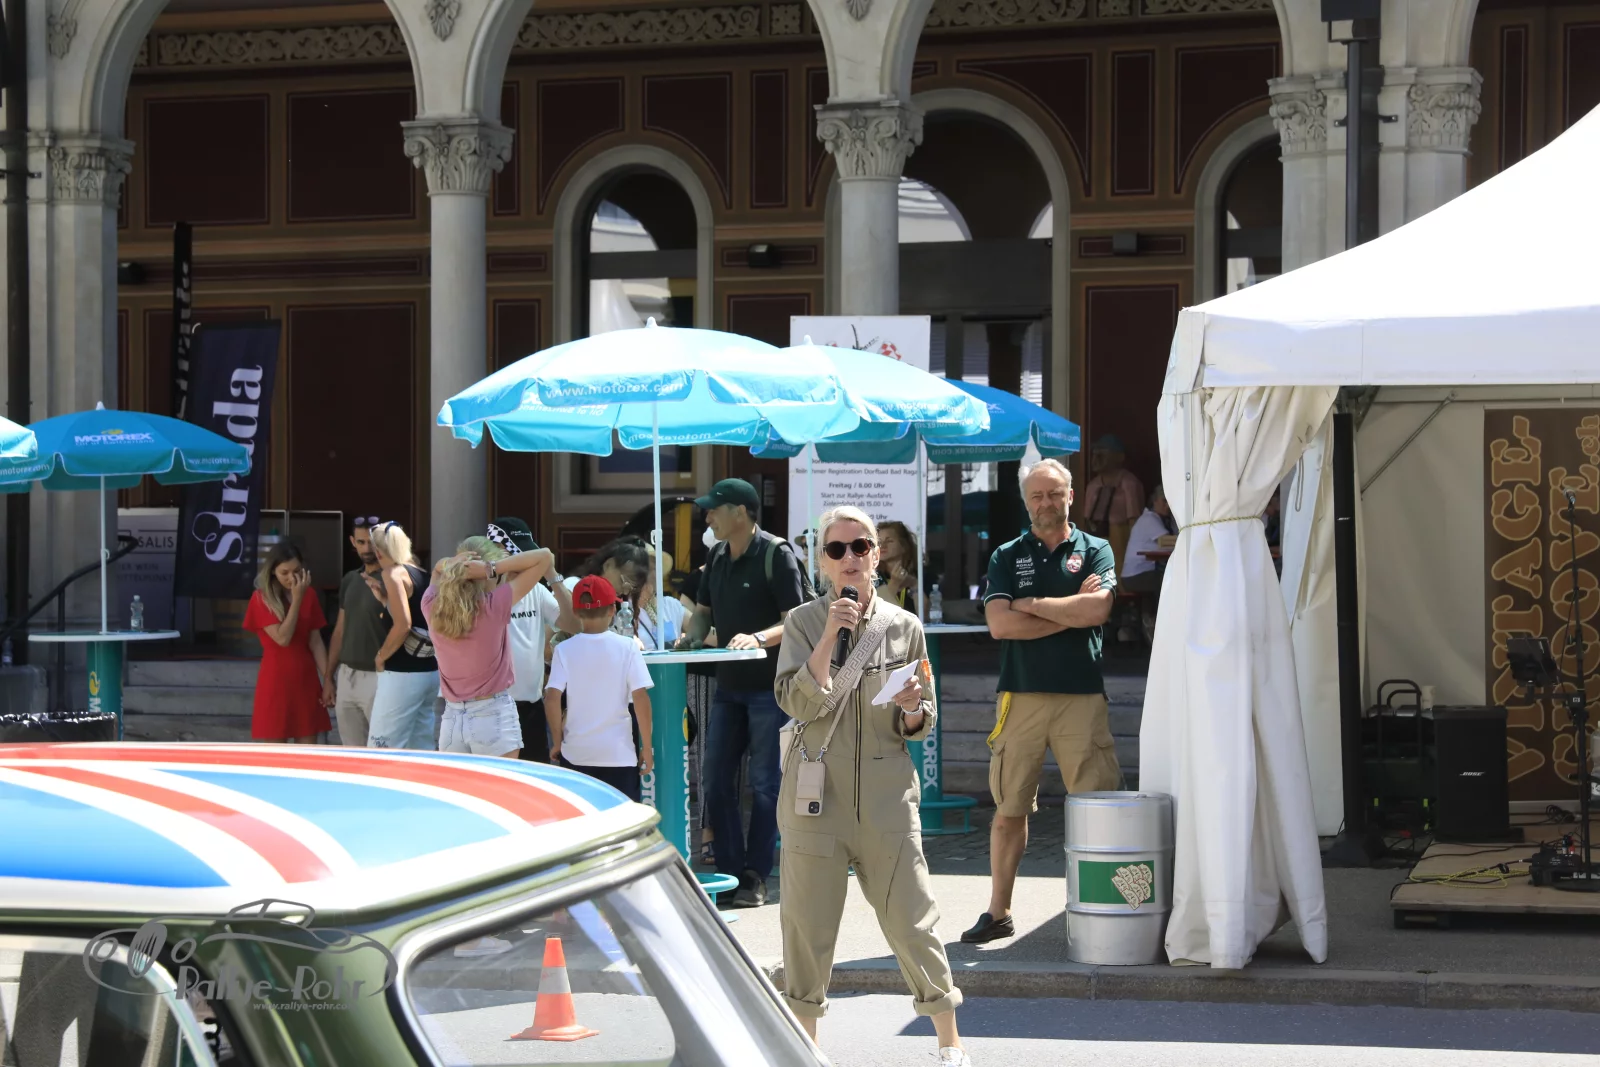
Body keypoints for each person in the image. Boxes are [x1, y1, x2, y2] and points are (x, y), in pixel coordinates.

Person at [773, 505, 970, 1067]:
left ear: (877, 556)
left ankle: (950, 1044)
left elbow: (923, 718)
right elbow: (793, 701)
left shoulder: (904, 626)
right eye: (836, 549)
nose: (850, 558)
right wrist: (829, 634)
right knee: (807, 927)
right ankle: (807, 1051)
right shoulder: (802, 623)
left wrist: (912, 707)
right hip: (816, 799)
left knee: (914, 919)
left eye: (860, 546)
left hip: (887, 799)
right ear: (822, 561)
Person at [964, 458, 1121, 945]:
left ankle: (1105, 908)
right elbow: (999, 625)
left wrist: (1030, 605)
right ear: (1025, 501)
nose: (1046, 502)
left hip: (1081, 695)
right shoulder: (1007, 554)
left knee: (1098, 808)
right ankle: (999, 912)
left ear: (1070, 496)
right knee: (1009, 808)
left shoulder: (1095, 549)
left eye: (1054, 493)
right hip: (1022, 694)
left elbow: (1098, 609)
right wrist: (1069, 613)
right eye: (1037, 495)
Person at [677, 478, 806, 908]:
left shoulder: (777, 554)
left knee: (766, 784)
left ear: (741, 512)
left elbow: (796, 620)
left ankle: (756, 875)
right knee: (715, 780)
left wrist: (757, 638)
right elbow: (702, 613)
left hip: (771, 689)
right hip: (728, 688)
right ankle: (730, 874)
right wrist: (691, 637)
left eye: (715, 509)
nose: (708, 516)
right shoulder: (715, 555)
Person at [422, 537, 558, 759]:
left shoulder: (430, 604)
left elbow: (438, 569)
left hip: (452, 719)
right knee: (502, 782)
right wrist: (492, 568)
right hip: (492, 716)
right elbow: (544, 556)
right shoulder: (493, 605)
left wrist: (454, 564)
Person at [544, 575, 655, 801]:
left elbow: (552, 698)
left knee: (584, 818)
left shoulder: (564, 650)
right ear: (613, 610)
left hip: (576, 754)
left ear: (576, 612)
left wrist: (557, 740)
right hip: (619, 755)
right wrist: (646, 746)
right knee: (622, 819)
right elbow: (641, 698)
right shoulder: (628, 647)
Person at [485, 517, 575, 763]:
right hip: (491, 708)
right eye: (518, 554)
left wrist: (553, 576)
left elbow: (573, 625)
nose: (525, 561)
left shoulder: (536, 589)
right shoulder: (481, 591)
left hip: (531, 707)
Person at [243, 542, 332, 744]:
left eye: (297, 571)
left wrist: (328, 679)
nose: (292, 578)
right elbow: (283, 638)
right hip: (276, 679)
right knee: (275, 752)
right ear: (273, 572)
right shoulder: (261, 599)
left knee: (308, 750)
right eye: (284, 572)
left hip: (305, 678)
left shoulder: (309, 594)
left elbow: (316, 641)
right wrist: (297, 600)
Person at [365, 521, 441, 750]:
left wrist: (381, 656)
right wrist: (385, 601)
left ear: (379, 552)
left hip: (402, 673)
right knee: (421, 747)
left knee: (382, 747)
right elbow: (419, 617)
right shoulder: (423, 574)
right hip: (430, 671)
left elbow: (403, 625)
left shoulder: (392, 573)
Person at [323, 515, 385, 746]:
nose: (367, 548)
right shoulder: (350, 579)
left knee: (383, 748)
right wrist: (328, 677)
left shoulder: (395, 577)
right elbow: (340, 630)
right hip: (347, 675)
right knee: (352, 750)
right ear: (352, 542)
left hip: (381, 676)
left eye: (372, 542)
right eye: (361, 542)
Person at [555, 537, 651, 644]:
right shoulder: (573, 586)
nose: (624, 592)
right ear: (608, 565)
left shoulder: (617, 606)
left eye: (631, 588)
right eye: (623, 581)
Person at [1080, 433, 1146, 574]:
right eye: (1094, 454)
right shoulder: (1093, 485)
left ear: (1119, 457)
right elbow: (1086, 519)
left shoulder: (1129, 483)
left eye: (1102, 455)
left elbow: (1135, 519)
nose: (1095, 460)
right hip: (1095, 537)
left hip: (1121, 539)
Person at [1121, 485, 1176, 644]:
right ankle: (1158, 623)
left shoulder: (1159, 519)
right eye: (1164, 501)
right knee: (1170, 582)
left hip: (1142, 574)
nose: (1167, 506)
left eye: (1169, 502)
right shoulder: (1149, 519)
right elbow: (1167, 542)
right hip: (1136, 576)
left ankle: (1154, 620)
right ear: (1154, 501)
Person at [635, 546, 687, 651]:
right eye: (647, 568)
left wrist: (687, 637)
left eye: (655, 568)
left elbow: (703, 630)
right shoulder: (624, 608)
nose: (655, 574)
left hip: (672, 662)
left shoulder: (671, 605)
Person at [876, 520, 920, 614]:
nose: (882, 546)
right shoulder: (873, 577)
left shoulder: (920, 573)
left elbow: (925, 614)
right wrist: (894, 584)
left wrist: (914, 585)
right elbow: (877, 612)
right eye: (879, 542)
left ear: (904, 546)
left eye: (889, 541)